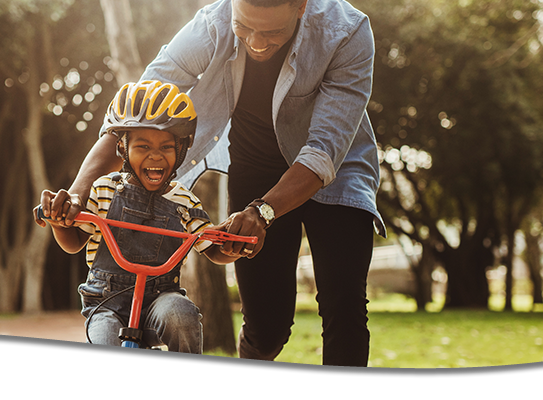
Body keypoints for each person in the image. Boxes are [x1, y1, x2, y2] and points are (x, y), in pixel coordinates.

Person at [40, 0, 386, 366]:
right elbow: (136, 114)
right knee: (266, 330)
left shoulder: (347, 32)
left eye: (271, 32)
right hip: (256, 168)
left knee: (344, 306)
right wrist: (77, 194)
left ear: (301, 6)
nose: (255, 43)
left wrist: (262, 211)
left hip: (337, 169)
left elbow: (322, 153)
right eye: (244, 28)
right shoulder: (211, 25)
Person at [36, 80, 241, 354]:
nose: (155, 156)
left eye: (166, 147)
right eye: (142, 146)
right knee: (105, 337)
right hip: (107, 302)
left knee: (181, 315)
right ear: (122, 147)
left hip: (161, 299)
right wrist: (60, 224)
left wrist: (234, 247)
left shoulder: (184, 200)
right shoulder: (104, 189)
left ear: (181, 150)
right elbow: (73, 242)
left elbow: (213, 249)